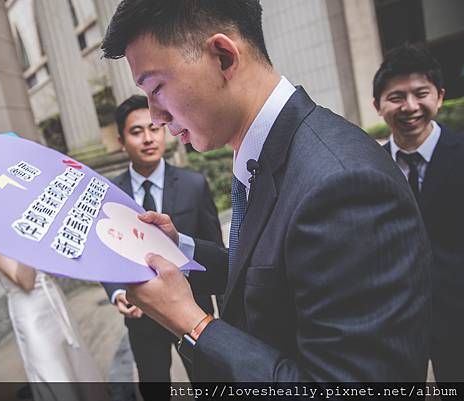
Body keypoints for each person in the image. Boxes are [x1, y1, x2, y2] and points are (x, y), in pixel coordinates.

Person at [101, 0, 431, 381]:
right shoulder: (268, 152)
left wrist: (192, 323)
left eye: (157, 87)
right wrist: (179, 249)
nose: (155, 116)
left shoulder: (343, 186)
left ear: (223, 56)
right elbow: (269, 277)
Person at [102, 95, 222, 398]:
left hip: (194, 311)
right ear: (121, 140)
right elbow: (104, 254)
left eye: (154, 128)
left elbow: (216, 250)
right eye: (136, 131)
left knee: (209, 385)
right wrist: (117, 292)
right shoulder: (109, 193)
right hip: (142, 318)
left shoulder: (194, 185)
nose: (148, 138)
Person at [373, 43, 464, 382]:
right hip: (393, 324)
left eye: (420, 93)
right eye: (396, 97)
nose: (410, 106)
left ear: (439, 97)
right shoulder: (367, 166)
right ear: (378, 106)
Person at [0, 250, 108, 401]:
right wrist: (27, 236)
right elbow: (26, 281)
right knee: (53, 373)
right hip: (31, 314)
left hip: (54, 301)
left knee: (79, 367)